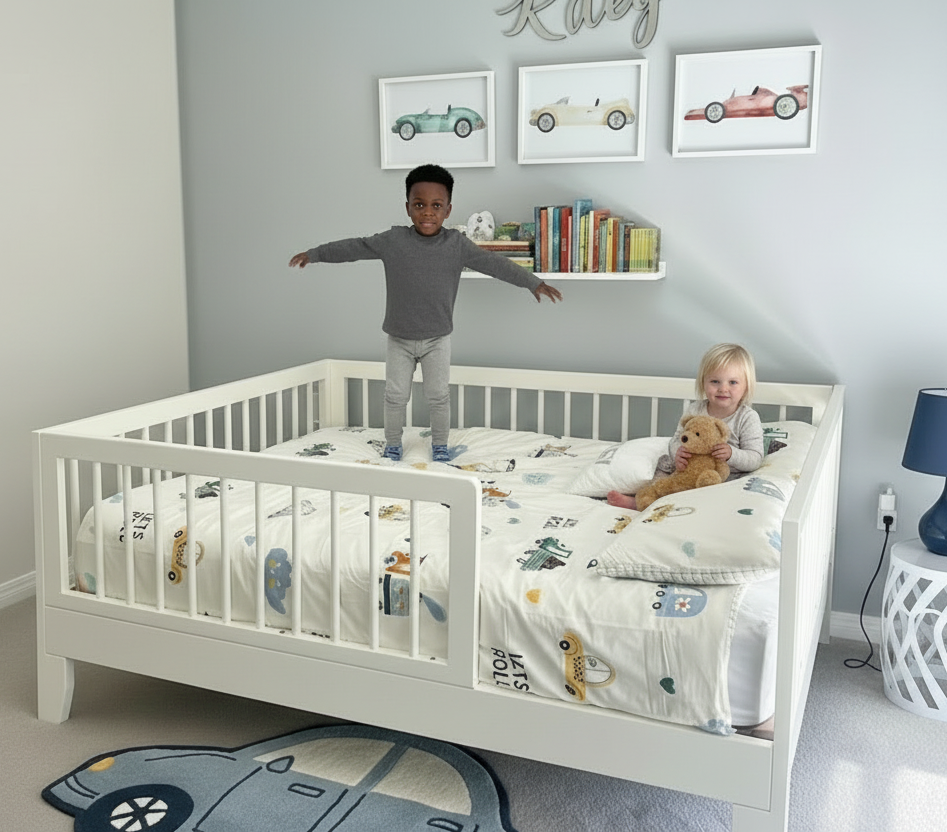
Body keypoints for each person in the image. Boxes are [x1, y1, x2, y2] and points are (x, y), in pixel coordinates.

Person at [290, 163, 562, 462]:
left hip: (437, 340)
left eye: (436, 206)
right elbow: (354, 247)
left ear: (447, 210)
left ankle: (440, 445)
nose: (428, 212)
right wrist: (315, 254)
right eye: (419, 205)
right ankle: (393, 444)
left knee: (438, 397)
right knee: (395, 397)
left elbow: (494, 264)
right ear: (408, 208)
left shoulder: (456, 245)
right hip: (399, 339)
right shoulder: (393, 240)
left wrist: (532, 283)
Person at [607, 343, 764, 510]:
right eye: (715, 381)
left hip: (725, 477)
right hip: (688, 471)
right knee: (664, 473)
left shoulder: (747, 417)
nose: (723, 389)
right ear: (703, 382)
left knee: (722, 496)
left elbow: (755, 458)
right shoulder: (695, 409)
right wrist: (678, 453)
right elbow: (677, 439)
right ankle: (642, 502)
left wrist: (732, 454)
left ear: (746, 386)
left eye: (733, 382)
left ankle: (682, 508)